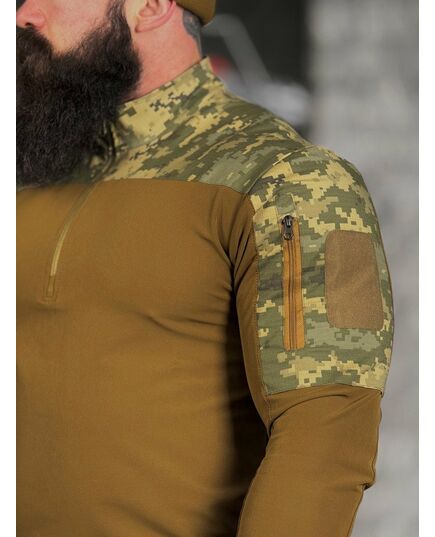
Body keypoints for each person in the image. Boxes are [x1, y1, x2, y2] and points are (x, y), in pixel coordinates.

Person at [16, 1, 395, 536]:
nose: (24, 15)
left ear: (151, 7)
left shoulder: (289, 178)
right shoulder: (30, 173)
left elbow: (328, 435)